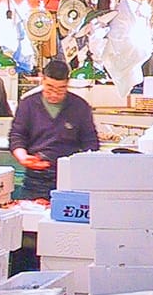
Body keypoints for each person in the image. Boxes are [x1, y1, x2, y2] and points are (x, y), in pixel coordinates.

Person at [9, 59, 100, 200]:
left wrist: (83, 165)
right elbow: (17, 135)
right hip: (35, 180)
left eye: (60, 89)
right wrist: (23, 157)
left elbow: (91, 142)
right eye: (50, 88)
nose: (54, 94)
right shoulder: (28, 104)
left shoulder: (80, 107)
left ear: (68, 84)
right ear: (42, 80)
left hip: (69, 179)